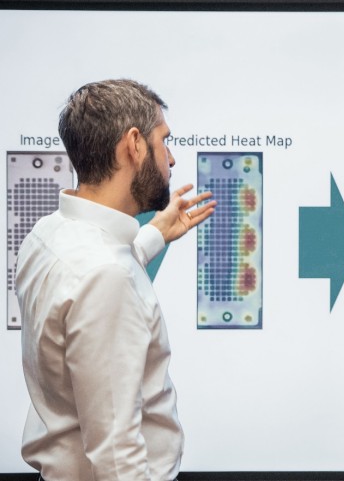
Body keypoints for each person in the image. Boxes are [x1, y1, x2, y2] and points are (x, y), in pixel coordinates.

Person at [15, 79, 216, 480]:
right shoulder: (106, 276)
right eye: (164, 141)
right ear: (134, 144)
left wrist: (155, 235)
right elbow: (117, 460)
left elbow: (91, 283)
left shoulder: (47, 235)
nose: (171, 158)